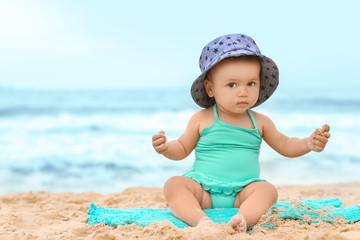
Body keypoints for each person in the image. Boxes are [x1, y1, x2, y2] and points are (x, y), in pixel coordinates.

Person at [152, 33, 331, 232]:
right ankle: (200, 219)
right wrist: (166, 147)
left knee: (267, 190)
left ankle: (242, 218)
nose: (243, 92)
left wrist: (308, 143)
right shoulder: (201, 119)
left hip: (243, 191)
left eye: (251, 83)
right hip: (203, 190)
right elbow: (183, 148)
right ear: (210, 89)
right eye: (232, 85)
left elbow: (286, 145)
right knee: (174, 184)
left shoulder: (260, 122)